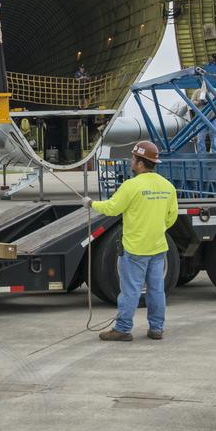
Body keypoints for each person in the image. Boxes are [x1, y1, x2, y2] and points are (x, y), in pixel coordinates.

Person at [82, 140, 178, 341]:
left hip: (135, 249)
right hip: (158, 246)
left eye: (133, 158)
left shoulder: (131, 186)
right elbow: (171, 217)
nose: (131, 161)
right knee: (156, 290)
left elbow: (112, 208)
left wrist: (91, 203)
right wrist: (156, 229)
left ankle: (123, 329)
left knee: (130, 291)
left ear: (141, 163)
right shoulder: (167, 186)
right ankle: (156, 328)